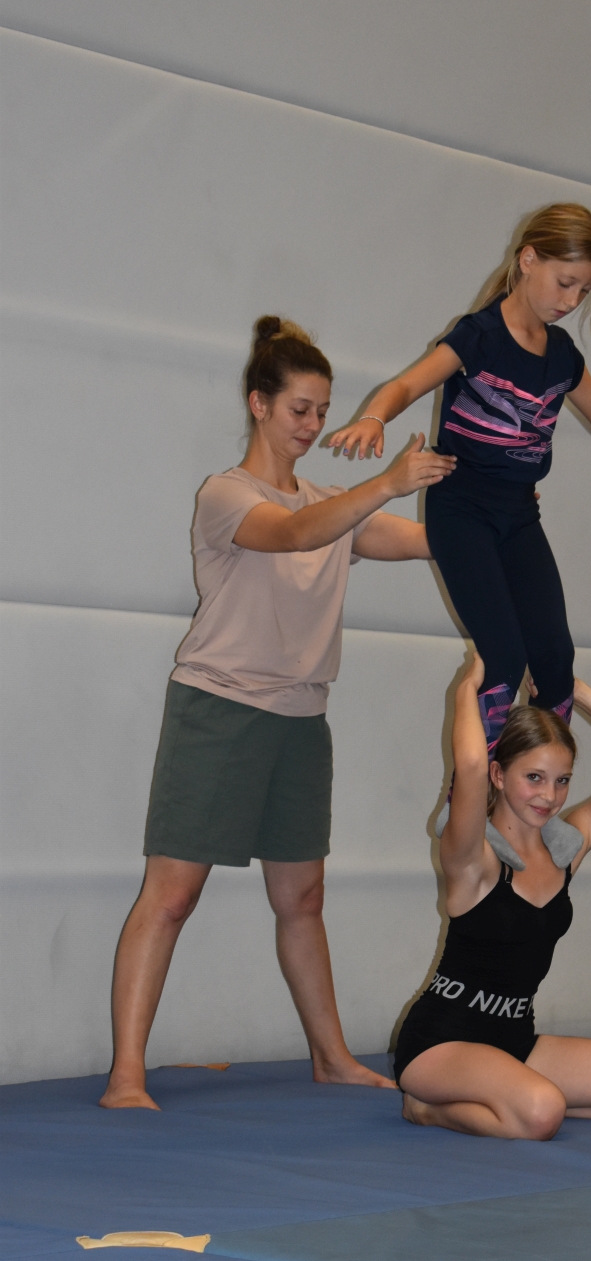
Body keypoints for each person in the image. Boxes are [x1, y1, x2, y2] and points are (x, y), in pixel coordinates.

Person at [101, 316, 455, 1110]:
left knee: (302, 900)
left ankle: (331, 1057)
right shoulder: (226, 495)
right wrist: (385, 484)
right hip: (219, 710)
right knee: (171, 897)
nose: (313, 424)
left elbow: (418, 539)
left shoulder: (333, 503)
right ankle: (126, 1074)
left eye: (323, 410)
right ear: (258, 404)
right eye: (300, 408)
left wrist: (489, 513)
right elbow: (294, 534)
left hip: (301, 720)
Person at [327, 203, 591, 863]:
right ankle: (466, 801)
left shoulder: (562, 356)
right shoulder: (479, 336)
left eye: (584, 290)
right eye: (564, 283)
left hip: (518, 514)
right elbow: (406, 384)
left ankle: (530, 815)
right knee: (503, 655)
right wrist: (374, 417)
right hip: (460, 509)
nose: (570, 301)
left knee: (555, 660)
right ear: (528, 260)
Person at [394, 650, 591, 1138]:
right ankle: (426, 1109)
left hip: (518, 1040)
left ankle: (520, 1098)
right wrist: (468, 690)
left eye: (562, 781)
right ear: (500, 775)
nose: (549, 796)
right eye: (533, 778)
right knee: (541, 1113)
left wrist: (573, 691)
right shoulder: (473, 857)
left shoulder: (565, 850)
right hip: (441, 1043)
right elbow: (470, 763)